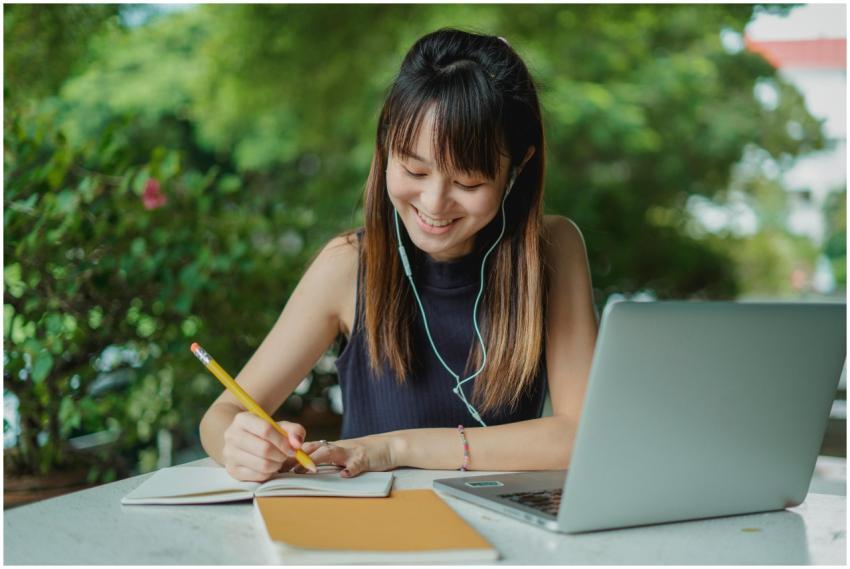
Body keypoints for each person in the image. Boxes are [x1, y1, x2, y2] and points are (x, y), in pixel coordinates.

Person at [199, 28, 598, 481]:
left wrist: (395, 447)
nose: (434, 203)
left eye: (468, 184)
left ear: (518, 166)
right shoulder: (347, 265)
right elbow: (222, 414)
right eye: (414, 169)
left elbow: (579, 435)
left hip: (505, 531)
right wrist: (242, 443)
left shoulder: (553, 249)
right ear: (386, 144)